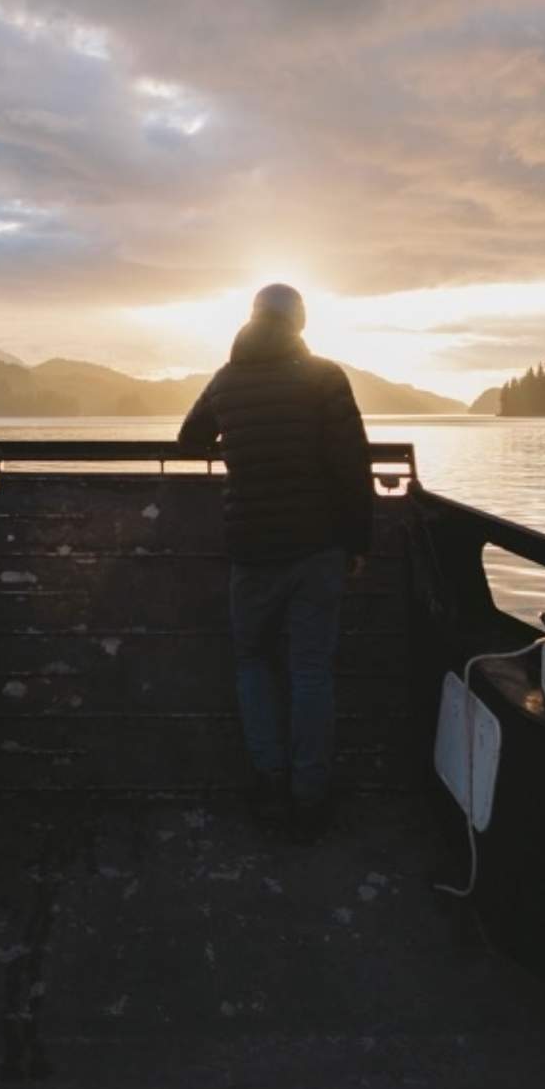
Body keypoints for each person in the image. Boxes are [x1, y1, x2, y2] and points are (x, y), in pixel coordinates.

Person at [177, 283, 372, 839]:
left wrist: (237, 447)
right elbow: (351, 466)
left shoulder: (226, 378)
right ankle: (310, 795)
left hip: (252, 548)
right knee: (311, 670)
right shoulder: (326, 377)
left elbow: (190, 439)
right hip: (318, 548)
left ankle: (269, 782)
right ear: (299, 324)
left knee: (252, 662)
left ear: (254, 319)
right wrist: (358, 543)